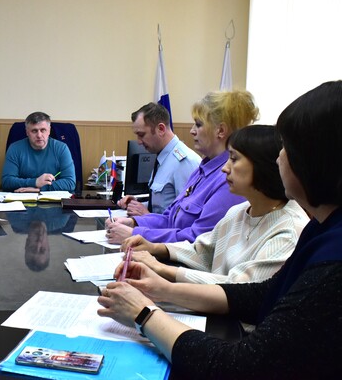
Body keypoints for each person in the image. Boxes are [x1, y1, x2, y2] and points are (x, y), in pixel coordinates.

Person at [97, 80, 342, 378]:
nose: (280, 156)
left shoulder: (329, 258)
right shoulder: (321, 228)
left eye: (288, 148)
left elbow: (241, 365)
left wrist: (144, 314)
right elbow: (260, 294)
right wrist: (162, 288)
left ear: (316, 160)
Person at [122, 125, 309, 284]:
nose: (224, 168)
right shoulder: (239, 212)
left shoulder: (288, 231)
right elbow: (203, 250)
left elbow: (240, 288)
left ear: (263, 165)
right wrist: (155, 248)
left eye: (234, 159)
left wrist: (161, 269)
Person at [106, 90, 259, 245]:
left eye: (198, 125)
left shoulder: (228, 178)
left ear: (220, 131)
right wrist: (134, 223)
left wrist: (136, 234)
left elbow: (198, 239)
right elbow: (170, 218)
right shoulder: (202, 170)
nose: (192, 131)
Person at [118, 103, 201, 215]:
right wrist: (138, 205)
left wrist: (147, 216)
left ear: (161, 129)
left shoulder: (184, 162)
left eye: (141, 135)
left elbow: (186, 217)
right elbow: (163, 208)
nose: (139, 142)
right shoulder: (163, 157)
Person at [1, 111, 76, 193]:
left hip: (53, 198)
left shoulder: (62, 148)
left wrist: (40, 189)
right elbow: (7, 182)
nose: (39, 135)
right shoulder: (15, 148)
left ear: (49, 131)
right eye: (34, 131)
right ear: (27, 132)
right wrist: (35, 182)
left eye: (43, 130)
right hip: (22, 197)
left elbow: (70, 182)